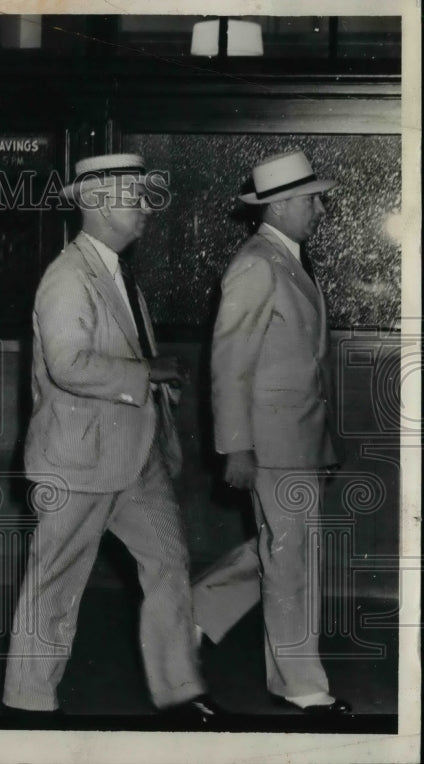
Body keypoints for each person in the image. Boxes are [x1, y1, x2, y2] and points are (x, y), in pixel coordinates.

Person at [1, 154, 221, 725]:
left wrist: (156, 395)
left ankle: (177, 688)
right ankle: (28, 705)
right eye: (135, 198)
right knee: (56, 582)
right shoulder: (68, 276)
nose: (147, 209)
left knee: (170, 563)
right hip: (78, 460)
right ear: (96, 204)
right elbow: (69, 364)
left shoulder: (119, 274)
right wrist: (147, 372)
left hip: (135, 457)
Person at [192, 150, 351, 716]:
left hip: (296, 440)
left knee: (281, 549)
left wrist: (318, 445)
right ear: (280, 206)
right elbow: (229, 362)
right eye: (311, 200)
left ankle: (194, 612)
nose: (319, 209)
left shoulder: (286, 259)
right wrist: (235, 446)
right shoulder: (258, 264)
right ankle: (301, 686)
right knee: (291, 561)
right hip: (272, 442)